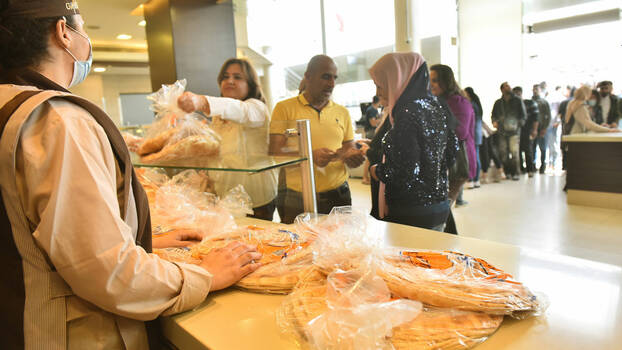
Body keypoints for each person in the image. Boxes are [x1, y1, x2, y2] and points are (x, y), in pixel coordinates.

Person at [0, 2, 261, 348]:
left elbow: (38, 231)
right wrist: (207, 275)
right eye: (82, 27)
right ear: (63, 32)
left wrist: (138, 239)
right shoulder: (58, 120)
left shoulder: (9, 105)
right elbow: (108, 273)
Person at [177, 58, 278, 221]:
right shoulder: (217, 116)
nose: (230, 81)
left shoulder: (256, 107)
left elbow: (239, 110)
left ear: (250, 84)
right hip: (226, 197)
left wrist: (201, 101)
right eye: (225, 77)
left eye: (237, 77)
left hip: (257, 199)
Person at [269, 55, 365, 224]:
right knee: (298, 247)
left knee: (340, 247)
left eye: (334, 78)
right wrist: (310, 156)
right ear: (308, 76)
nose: (332, 84)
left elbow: (348, 149)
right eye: (326, 76)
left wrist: (352, 157)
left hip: (338, 195)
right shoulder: (284, 109)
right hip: (296, 197)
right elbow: (275, 151)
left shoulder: (342, 112)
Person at [368, 52, 458, 232]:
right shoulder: (435, 105)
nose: (378, 93)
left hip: (411, 212)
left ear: (396, 79)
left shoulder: (406, 112)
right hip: (438, 206)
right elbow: (452, 151)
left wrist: (377, 170)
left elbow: (405, 173)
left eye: (381, 86)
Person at [430, 64, 476, 208]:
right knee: (442, 207)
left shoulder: (459, 102)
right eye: (430, 80)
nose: (431, 84)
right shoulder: (436, 101)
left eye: (435, 80)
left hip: (457, 161)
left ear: (446, 81)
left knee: (443, 206)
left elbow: (460, 132)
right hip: (443, 161)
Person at [491, 82, 526, 180]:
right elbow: (493, 115)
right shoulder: (498, 103)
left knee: (514, 152)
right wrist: (494, 122)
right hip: (502, 131)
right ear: (502, 89)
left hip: (514, 131)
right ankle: (508, 172)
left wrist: (518, 125)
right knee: (503, 153)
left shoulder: (518, 101)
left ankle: (515, 172)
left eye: (509, 86)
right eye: (506, 86)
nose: (509, 87)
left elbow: (523, 116)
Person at [514, 86, 539, 177]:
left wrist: (534, 130)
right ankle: (521, 169)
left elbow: (536, 118)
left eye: (518, 94)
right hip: (517, 131)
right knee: (518, 150)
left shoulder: (530, 103)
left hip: (527, 130)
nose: (517, 96)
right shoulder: (514, 106)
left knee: (528, 150)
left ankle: (530, 169)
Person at [465, 87, 483, 188]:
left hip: (472, 134)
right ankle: (476, 180)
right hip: (477, 134)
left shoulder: (471, 105)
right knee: (476, 157)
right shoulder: (477, 105)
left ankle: (473, 179)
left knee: (473, 157)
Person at [361, 95, 381, 185]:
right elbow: (373, 123)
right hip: (371, 132)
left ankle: (365, 177)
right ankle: (365, 177)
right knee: (369, 156)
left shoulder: (374, 109)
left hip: (371, 132)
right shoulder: (372, 110)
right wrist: (381, 120)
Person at [531, 84, 551, 174]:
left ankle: (543, 165)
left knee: (543, 148)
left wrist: (545, 127)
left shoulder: (544, 102)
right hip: (532, 129)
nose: (535, 91)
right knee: (532, 148)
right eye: (534, 89)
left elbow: (548, 116)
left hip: (542, 128)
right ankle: (533, 165)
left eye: (537, 89)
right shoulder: (530, 102)